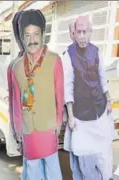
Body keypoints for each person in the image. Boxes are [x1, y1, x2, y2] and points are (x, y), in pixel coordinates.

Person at [8, 9, 64, 180]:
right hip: (28, 128)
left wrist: (59, 121)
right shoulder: (16, 67)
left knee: (52, 167)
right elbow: (15, 102)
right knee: (31, 168)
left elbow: (60, 95)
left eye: (36, 34)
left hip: (48, 125)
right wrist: (17, 128)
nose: (32, 40)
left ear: (43, 34)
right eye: (27, 35)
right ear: (22, 38)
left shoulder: (54, 60)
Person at [62, 15, 114, 180]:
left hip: (100, 111)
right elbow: (68, 87)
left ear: (90, 32)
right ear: (74, 34)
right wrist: (70, 115)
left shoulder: (96, 51)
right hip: (81, 117)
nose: (82, 36)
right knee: (84, 160)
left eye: (85, 32)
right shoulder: (68, 55)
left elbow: (102, 77)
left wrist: (108, 98)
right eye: (79, 32)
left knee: (104, 155)